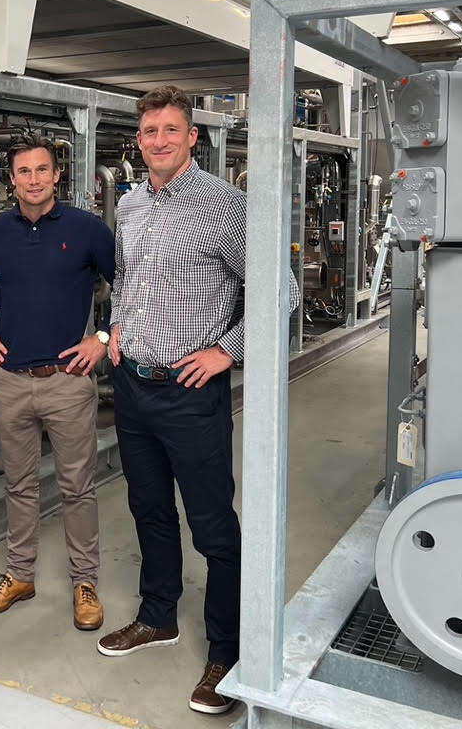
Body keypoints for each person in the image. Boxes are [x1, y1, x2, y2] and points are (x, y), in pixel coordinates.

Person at [97, 87, 300, 716]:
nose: (158, 139)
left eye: (170, 130)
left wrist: (227, 352)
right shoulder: (130, 205)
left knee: (214, 526)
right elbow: (128, 279)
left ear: (192, 138)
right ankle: (159, 617)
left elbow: (282, 290)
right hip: (132, 385)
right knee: (149, 509)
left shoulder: (226, 206)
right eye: (149, 129)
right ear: (139, 139)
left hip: (191, 392)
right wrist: (116, 329)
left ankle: (227, 650)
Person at [0, 134, 116, 631]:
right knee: (20, 485)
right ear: (12, 180)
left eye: (42, 170)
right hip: (9, 382)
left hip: (67, 381)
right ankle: (20, 574)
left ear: (57, 176)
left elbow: (131, 286)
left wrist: (102, 337)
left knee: (78, 488)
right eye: (24, 172)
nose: (33, 179)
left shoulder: (87, 228)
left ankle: (85, 581)